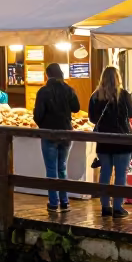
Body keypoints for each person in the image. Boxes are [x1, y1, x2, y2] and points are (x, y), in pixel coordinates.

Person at [88, 66, 132, 218]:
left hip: (104, 140)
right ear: (118, 78)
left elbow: (92, 119)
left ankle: (105, 206)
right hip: (122, 139)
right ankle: (117, 207)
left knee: (105, 172)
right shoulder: (124, 95)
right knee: (120, 174)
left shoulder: (95, 96)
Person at [32, 62, 81, 212]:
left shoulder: (43, 91)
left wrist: (43, 125)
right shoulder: (68, 89)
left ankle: (53, 203)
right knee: (62, 168)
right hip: (66, 132)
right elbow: (76, 108)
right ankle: (64, 201)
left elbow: (38, 115)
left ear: (47, 75)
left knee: (51, 169)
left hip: (49, 133)